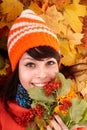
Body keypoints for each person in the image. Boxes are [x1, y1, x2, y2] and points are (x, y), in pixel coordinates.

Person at [0, 9, 68, 130]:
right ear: (17, 69)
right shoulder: (2, 116)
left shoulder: (73, 112)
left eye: (50, 62)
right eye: (30, 64)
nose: (42, 74)